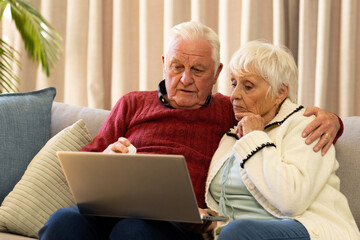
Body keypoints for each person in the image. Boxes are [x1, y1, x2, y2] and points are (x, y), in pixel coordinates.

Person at [39, 22, 342, 240]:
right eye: (176, 67)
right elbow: (82, 163)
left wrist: (334, 121)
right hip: (111, 210)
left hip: (174, 226)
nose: (185, 79)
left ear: (217, 73)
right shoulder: (132, 103)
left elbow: (281, 113)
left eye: (198, 71)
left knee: (133, 231)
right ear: (163, 65)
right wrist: (106, 158)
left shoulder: (232, 109)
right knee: (63, 222)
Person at [204, 40, 360, 240]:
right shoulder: (233, 131)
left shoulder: (308, 126)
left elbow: (290, 201)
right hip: (238, 232)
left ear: (280, 92)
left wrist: (254, 137)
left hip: (308, 229)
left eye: (248, 86)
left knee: (238, 232)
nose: (234, 95)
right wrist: (209, 219)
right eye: (234, 83)